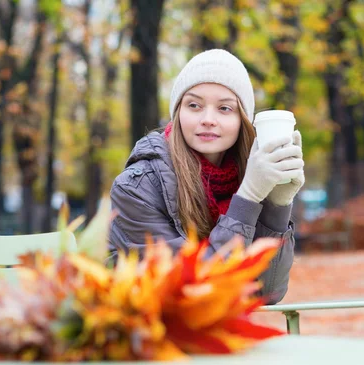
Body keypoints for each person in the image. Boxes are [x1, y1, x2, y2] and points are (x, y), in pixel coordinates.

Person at [108, 49, 305, 304]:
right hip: (146, 335)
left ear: (242, 120)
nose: (208, 119)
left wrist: (277, 205)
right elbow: (190, 292)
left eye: (225, 108)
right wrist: (248, 198)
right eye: (194, 105)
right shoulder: (137, 187)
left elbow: (265, 293)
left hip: (219, 335)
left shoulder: (251, 175)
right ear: (178, 113)